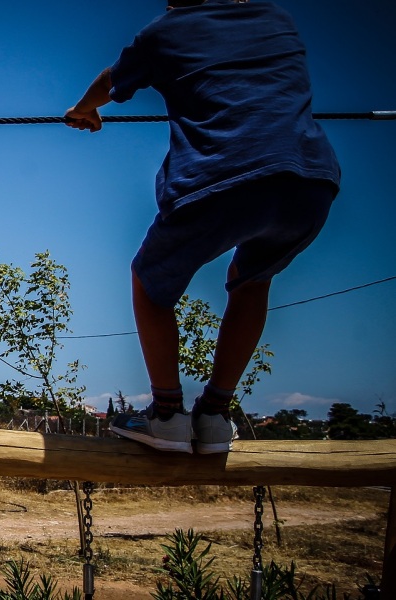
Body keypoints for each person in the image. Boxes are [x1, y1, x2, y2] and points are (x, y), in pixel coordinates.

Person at [64, 0, 340, 453]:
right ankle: (214, 415)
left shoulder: (166, 32)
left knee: (148, 281)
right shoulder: (277, 19)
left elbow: (111, 82)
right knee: (252, 281)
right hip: (309, 180)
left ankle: (168, 416)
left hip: (222, 178)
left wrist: (82, 109)